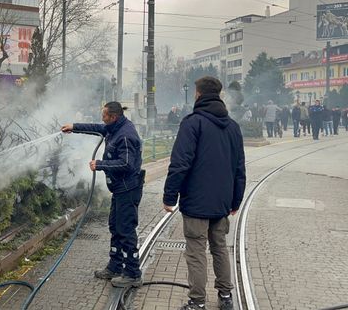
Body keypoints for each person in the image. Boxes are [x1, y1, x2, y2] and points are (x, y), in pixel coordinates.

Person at [163, 76, 246, 310]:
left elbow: (180, 163)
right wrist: (236, 200)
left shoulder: (192, 123)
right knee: (219, 248)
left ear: (197, 94)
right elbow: (239, 168)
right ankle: (226, 298)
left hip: (196, 202)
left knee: (196, 251)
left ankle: (197, 303)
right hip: (221, 202)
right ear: (219, 95)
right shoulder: (233, 127)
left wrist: (170, 196)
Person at [61, 102, 145, 288]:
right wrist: (74, 127)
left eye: (105, 115)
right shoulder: (115, 127)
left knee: (125, 230)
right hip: (119, 189)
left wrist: (100, 165)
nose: (102, 118)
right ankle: (115, 266)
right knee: (115, 227)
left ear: (113, 117)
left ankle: (132, 273)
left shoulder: (125, 135)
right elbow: (97, 128)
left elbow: (127, 164)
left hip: (128, 190)